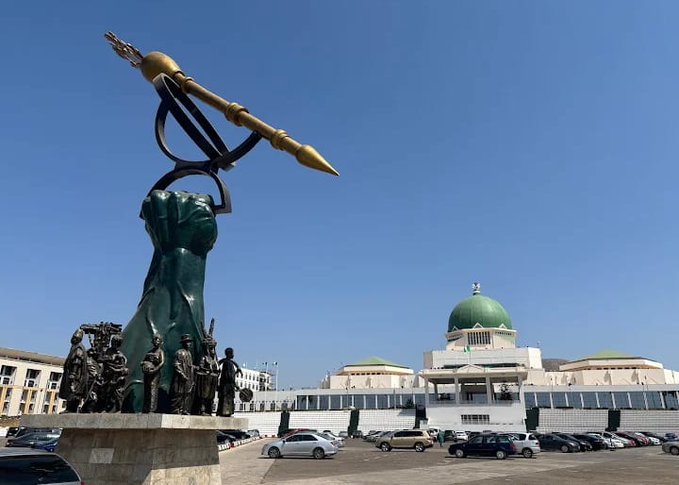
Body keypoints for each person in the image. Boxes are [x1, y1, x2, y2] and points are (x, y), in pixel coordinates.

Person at [58, 329, 88, 412]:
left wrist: (73, 373)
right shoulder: (75, 346)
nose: (73, 339)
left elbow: (77, 361)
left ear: (79, 339)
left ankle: (71, 409)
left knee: (73, 391)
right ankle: (70, 409)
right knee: (71, 391)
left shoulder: (78, 348)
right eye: (73, 337)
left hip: (76, 375)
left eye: (75, 338)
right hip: (74, 374)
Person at [170, 334, 195, 414]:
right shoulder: (179, 352)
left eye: (190, 342)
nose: (189, 344)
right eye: (187, 342)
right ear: (183, 343)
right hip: (180, 378)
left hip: (188, 377)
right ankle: (176, 409)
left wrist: (194, 368)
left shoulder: (189, 353)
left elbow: (189, 365)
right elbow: (176, 364)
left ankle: (184, 409)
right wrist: (182, 374)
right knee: (178, 394)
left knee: (187, 393)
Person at [141, 334, 165, 413]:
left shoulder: (160, 352)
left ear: (160, 342)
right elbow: (143, 361)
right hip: (147, 374)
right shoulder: (149, 352)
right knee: (147, 389)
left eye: (157, 341)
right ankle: (145, 408)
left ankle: (152, 409)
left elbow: (162, 363)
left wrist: (154, 369)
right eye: (155, 340)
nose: (156, 342)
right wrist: (144, 364)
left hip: (155, 373)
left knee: (153, 388)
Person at [217, 347, 242, 417]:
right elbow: (229, 376)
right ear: (229, 354)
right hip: (227, 388)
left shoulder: (227, 363)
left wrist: (236, 372)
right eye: (232, 353)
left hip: (227, 387)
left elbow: (230, 375)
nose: (233, 355)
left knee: (226, 400)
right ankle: (226, 412)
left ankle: (225, 412)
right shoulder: (228, 363)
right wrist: (236, 385)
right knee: (227, 400)